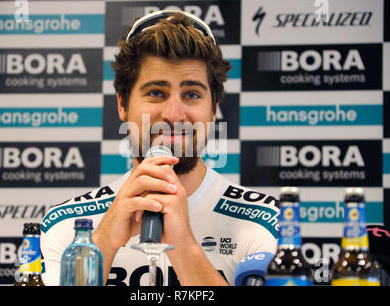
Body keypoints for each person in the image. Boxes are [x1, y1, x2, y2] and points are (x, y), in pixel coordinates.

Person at [40, 10, 279, 286]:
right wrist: (103, 243)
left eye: (192, 94)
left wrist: (186, 248)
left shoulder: (263, 222)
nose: (174, 115)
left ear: (213, 110)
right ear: (122, 104)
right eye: (155, 92)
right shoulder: (67, 224)